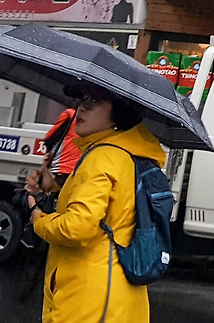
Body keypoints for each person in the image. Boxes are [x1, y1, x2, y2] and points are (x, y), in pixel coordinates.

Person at [26, 86, 166, 323]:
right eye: (81, 100)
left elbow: (77, 227)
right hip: (119, 295)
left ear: (117, 113)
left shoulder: (101, 158)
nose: (81, 108)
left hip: (89, 301)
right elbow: (112, 210)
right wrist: (55, 187)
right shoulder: (126, 154)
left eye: (93, 101)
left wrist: (38, 217)